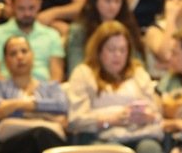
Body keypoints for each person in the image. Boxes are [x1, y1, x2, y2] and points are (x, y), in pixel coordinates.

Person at [68, 21, 163, 153]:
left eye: (122, 50)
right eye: (111, 49)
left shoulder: (138, 72)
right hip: (100, 137)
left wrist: (147, 116)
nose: (117, 55)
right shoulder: (83, 73)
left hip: (139, 134)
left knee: (150, 148)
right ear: (99, 50)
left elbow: (156, 113)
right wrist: (113, 119)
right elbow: (76, 119)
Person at [0, 36, 68, 153]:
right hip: (6, 146)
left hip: (46, 141)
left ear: (33, 55)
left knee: (42, 136)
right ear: (5, 61)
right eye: (13, 54)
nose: (20, 57)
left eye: (24, 51)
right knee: (40, 133)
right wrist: (47, 116)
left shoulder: (51, 87)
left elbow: (62, 106)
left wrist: (16, 105)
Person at [0, 0, 65, 83]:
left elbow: (57, 75)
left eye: (31, 8)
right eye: (21, 8)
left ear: (39, 4)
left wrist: (41, 92)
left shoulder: (52, 35)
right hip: (7, 91)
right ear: (11, 6)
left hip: (43, 93)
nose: (27, 13)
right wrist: (13, 90)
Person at [66, 0, 144, 75]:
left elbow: (137, 65)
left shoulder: (128, 27)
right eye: (108, 1)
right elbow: (75, 68)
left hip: (125, 84)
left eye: (117, 1)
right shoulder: (79, 30)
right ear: (95, 1)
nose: (113, 6)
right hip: (90, 82)